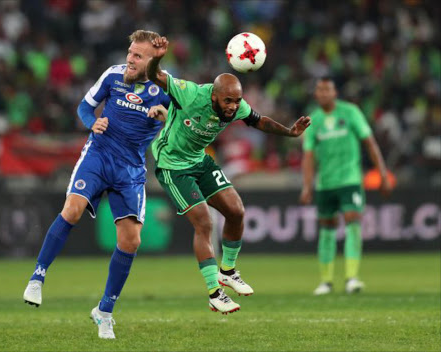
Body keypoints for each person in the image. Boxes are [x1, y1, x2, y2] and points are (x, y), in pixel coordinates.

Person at [22, 30, 170, 339]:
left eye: (138, 56)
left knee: (131, 242)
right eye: (130, 52)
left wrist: (163, 115)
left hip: (130, 169)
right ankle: (38, 276)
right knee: (72, 210)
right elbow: (84, 107)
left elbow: (176, 120)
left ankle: (104, 311)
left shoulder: (165, 88)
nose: (130, 59)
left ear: (152, 61)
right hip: (99, 156)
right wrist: (93, 122)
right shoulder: (113, 76)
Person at [146, 36, 311, 314]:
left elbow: (260, 121)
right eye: (228, 101)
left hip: (200, 160)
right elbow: (155, 76)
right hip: (172, 165)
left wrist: (290, 132)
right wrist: (158, 57)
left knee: (236, 211)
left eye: (237, 101)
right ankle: (214, 292)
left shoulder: (236, 106)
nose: (233, 107)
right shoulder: (190, 93)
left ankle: (228, 271)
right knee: (203, 223)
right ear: (213, 96)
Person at [299, 77, 392, 295]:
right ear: (316, 94)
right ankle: (326, 281)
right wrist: (307, 186)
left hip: (350, 180)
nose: (323, 93)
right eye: (319, 90)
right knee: (327, 228)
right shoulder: (313, 120)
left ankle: (352, 277)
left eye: (327, 89)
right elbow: (309, 156)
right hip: (325, 184)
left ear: (335, 92)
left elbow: (370, 143)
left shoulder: (351, 112)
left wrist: (383, 174)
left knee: (352, 220)